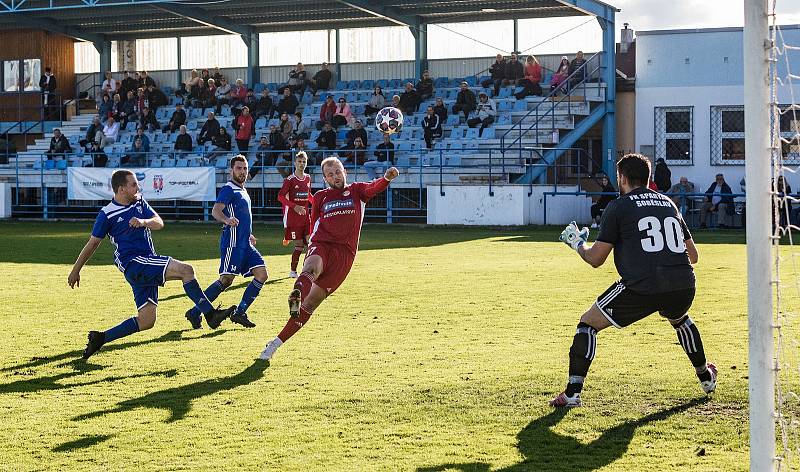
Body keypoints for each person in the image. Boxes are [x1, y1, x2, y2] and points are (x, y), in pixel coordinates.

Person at [550, 153, 716, 407]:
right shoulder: (668, 203)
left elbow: (596, 259)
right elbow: (693, 256)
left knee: (587, 323)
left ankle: (573, 393)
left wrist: (578, 244)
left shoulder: (619, 206)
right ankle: (706, 377)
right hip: (684, 283)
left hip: (643, 285)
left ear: (623, 178)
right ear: (648, 178)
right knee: (679, 318)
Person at [68, 170, 233, 359]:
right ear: (121, 189)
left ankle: (101, 338)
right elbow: (93, 243)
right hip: (134, 263)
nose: (138, 187)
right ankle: (210, 315)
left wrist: (143, 221)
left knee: (147, 321)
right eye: (133, 184)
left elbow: (158, 222)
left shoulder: (139, 201)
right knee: (186, 270)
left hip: (146, 262)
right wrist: (76, 270)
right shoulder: (107, 214)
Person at [259, 157, 400, 361]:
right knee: (311, 269)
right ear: (325, 178)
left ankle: (275, 344)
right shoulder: (321, 196)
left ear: (345, 172)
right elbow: (314, 221)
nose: (335, 177)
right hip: (322, 243)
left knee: (310, 304)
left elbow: (373, 188)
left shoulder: (357, 191)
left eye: (338, 172)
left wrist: (386, 178)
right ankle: (296, 293)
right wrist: (310, 241)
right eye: (330, 174)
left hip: (344, 254)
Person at [184, 155, 266, 329]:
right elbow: (216, 211)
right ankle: (195, 312)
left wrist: (248, 234)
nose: (242, 171)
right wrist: (227, 220)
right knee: (226, 279)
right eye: (238, 168)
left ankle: (240, 312)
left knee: (262, 274)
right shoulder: (228, 189)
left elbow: (243, 216)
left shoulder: (243, 190)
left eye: (244, 168)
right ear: (231, 170)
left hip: (245, 242)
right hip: (233, 243)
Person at [278, 151, 313, 277]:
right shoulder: (290, 180)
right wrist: (295, 206)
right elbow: (280, 197)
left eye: (304, 162)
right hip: (293, 219)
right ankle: (293, 271)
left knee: (310, 243)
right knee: (299, 245)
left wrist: (317, 203)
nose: (302, 164)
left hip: (306, 217)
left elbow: (308, 195)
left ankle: (307, 270)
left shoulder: (308, 178)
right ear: (295, 163)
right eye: (299, 161)